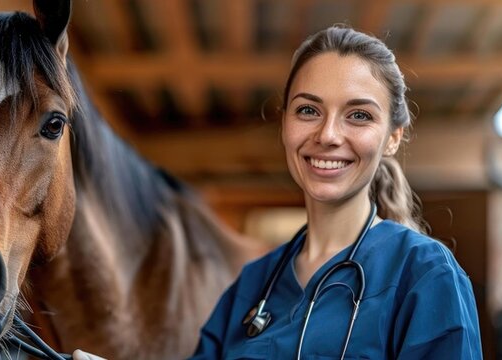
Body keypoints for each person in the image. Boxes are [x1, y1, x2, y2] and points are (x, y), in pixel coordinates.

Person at [188, 25, 482, 359]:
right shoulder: (252, 285)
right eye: (308, 110)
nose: (328, 135)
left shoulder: (426, 274)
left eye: (359, 115)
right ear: (285, 124)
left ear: (392, 137)